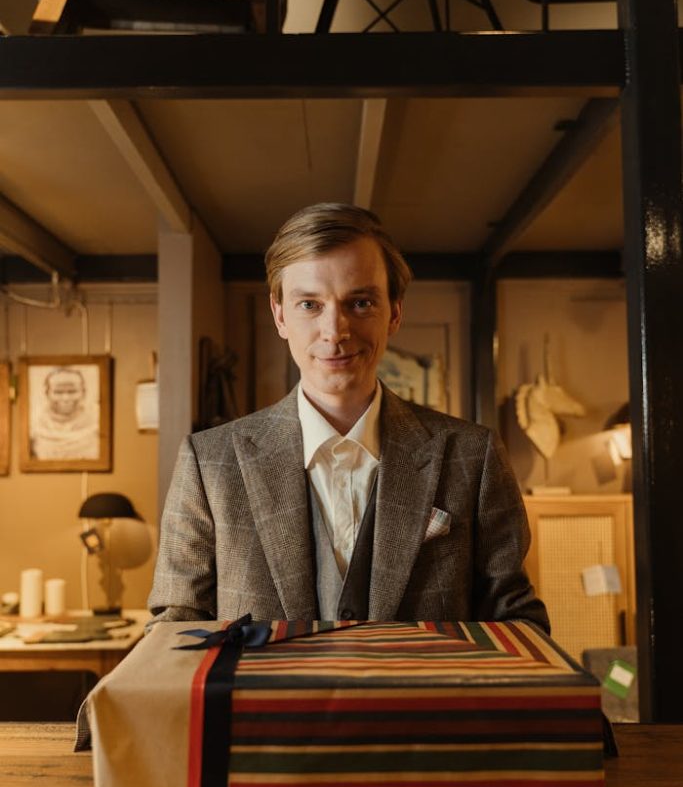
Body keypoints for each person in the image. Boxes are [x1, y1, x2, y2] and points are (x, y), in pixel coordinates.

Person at [148, 203, 549, 632]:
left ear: (394, 312)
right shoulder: (208, 462)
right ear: (280, 314)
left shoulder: (474, 455)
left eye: (360, 302)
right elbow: (175, 630)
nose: (335, 330)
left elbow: (517, 624)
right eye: (309, 304)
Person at [30, 366, 99, 461]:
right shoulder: (35, 427)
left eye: (72, 391)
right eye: (58, 392)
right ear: (47, 393)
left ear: (83, 392)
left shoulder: (96, 424)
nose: (65, 398)